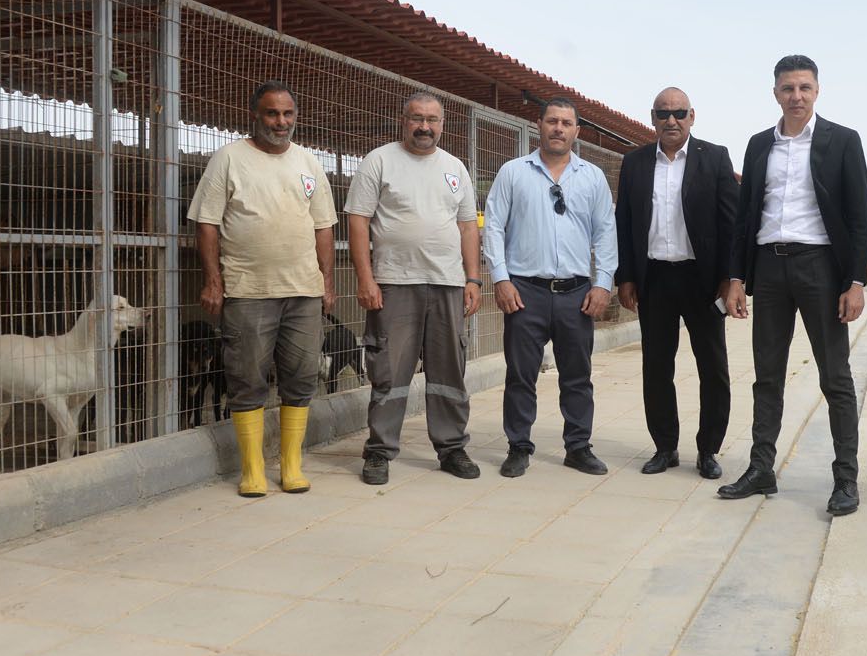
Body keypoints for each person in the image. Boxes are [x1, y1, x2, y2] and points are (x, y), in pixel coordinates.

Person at [720, 55, 867, 516]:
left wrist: (856, 282)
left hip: (819, 267)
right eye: (788, 88)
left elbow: (858, 217)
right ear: (776, 94)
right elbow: (745, 216)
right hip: (769, 268)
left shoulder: (842, 140)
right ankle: (761, 469)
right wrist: (736, 278)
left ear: (817, 91)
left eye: (804, 87)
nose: (796, 96)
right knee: (767, 375)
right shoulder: (759, 145)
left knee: (835, 377)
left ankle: (845, 479)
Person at [189, 79, 336, 497]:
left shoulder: (308, 163)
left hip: (303, 292)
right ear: (255, 114)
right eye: (272, 113)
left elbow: (324, 226)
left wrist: (326, 282)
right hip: (248, 290)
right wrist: (213, 281)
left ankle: (291, 465)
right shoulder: (229, 159)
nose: (280, 121)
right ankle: (252, 469)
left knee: (302, 376)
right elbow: (207, 223)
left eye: (287, 113)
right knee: (246, 378)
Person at [345, 91, 483, 486]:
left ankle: (451, 447)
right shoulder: (379, 161)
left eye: (432, 119)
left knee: (449, 371)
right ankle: (379, 451)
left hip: (447, 283)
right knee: (389, 370)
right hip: (394, 283)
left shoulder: (455, 167)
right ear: (403, 120)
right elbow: (358, 221)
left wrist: (473, 279)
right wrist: (366, 278)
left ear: (443, 124)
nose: (424, 126)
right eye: (417, 118)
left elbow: (467, 226)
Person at [483, 98, 618, 478]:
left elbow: (606, 233)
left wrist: (602, 284)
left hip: (577, 293)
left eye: (566, 123)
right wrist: (501, 279)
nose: (559, 128)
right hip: (525, 292)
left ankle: (578, 447)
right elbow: (493, 226)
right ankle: (518, 447)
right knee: (520, 375)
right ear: (538, 124)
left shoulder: (592, 177)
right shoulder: (513, 173)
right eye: (552, 121)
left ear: (577, 131)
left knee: (578, 376)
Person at [615, 87, 738, 479]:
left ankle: (708, 450)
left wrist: (730, 278)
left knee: (713, 368)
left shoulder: (714, 158)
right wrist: (626, 276)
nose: (671, 120)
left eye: (679, 113)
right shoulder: (634, 162)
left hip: (702, 281)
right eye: (663, 113)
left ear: (692, 116)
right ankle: (665, 447)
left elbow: (731, 224)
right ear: (653, 118)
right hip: (654, 279)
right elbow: (624, 224)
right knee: (656, 367)